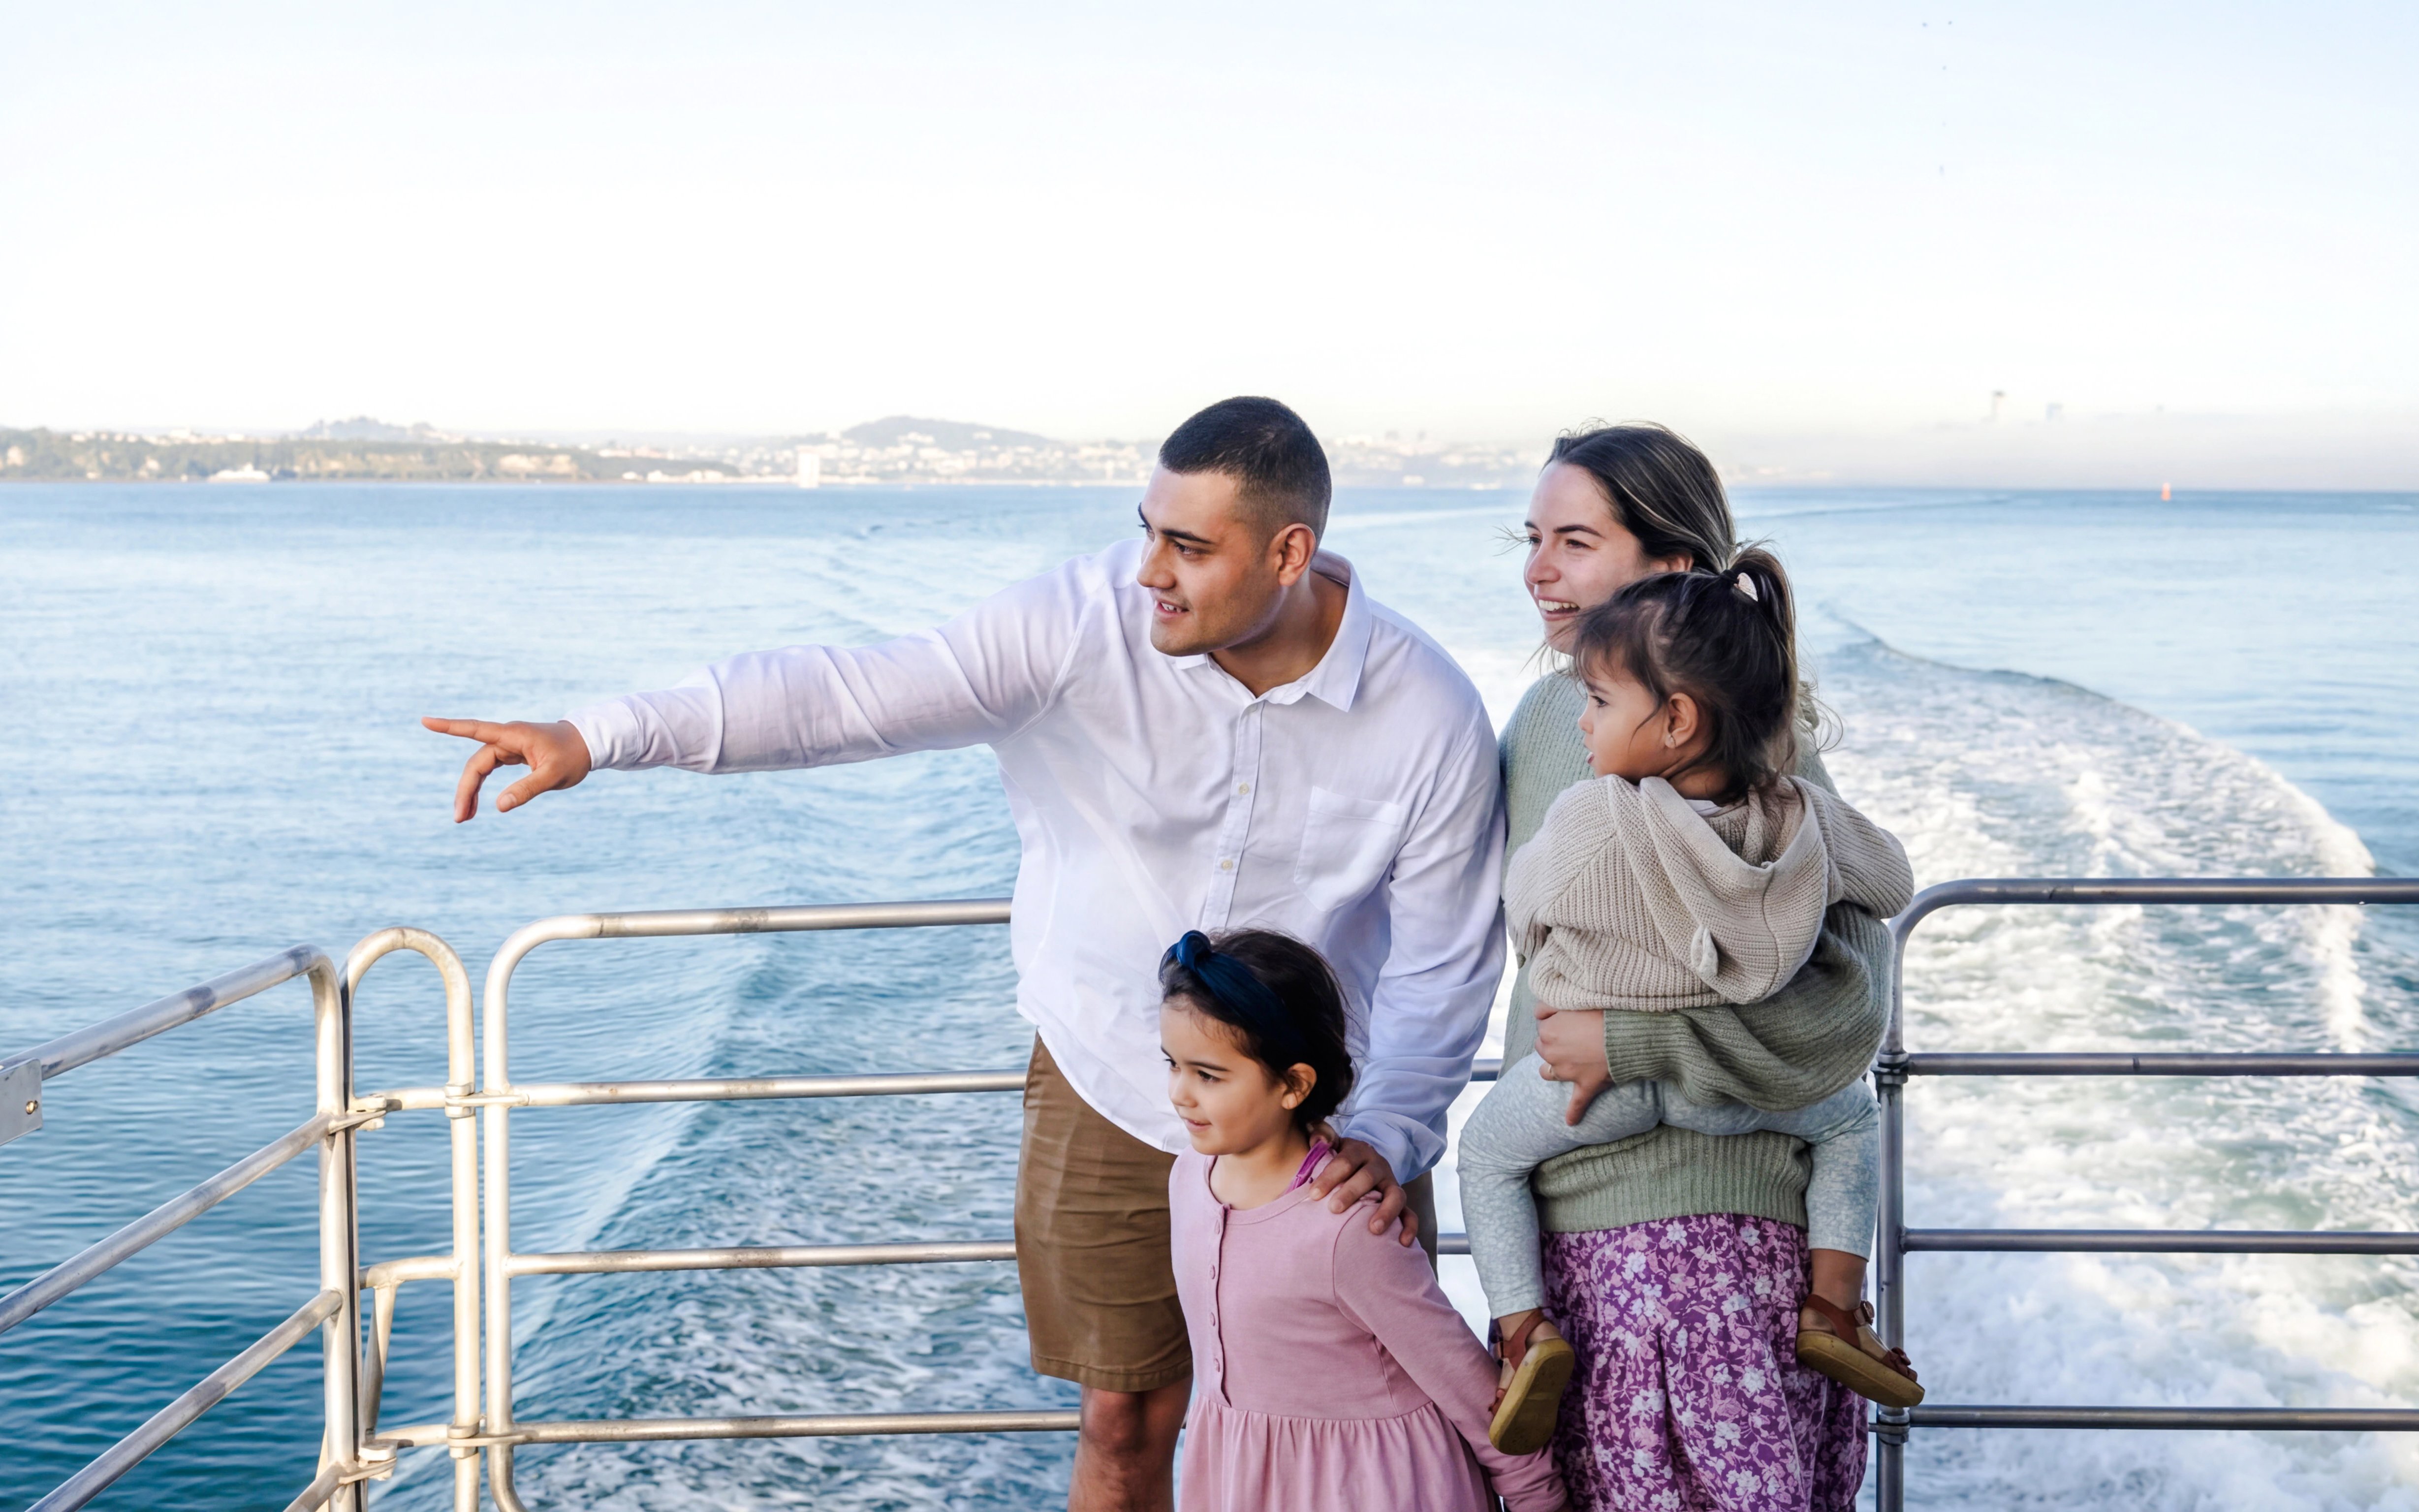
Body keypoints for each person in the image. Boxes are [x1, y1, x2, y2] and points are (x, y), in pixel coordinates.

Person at [422, 397, 1507, 1512]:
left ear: (1288, 552)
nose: (1149, 571)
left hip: (1331, 1125)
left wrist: (1388, 1133)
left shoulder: (1426, 712)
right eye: (1147, 531)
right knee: (1122, 1423)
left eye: (1189, 546)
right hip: (1119, 1083)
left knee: (1373, 1419)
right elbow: (848, 695)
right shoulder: (1078, 622)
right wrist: (597, 735)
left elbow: (1444, 962)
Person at [1459, 549, 1922, 1457]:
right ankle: (1834, 1305)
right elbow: (1891, 882)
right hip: (1746, 1092)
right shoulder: (1800, 816)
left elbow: (1527, 908)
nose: (1582, 720)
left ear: (1674, 720)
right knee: (1849, 1119)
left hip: (1592, 1088)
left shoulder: (1594, 816)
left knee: (1485, 1155)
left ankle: (1523, 1334)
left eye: (1599, 702)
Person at [1159, 928, 1566, 1512]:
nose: (1180, 1093)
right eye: (1172, 1064)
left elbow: (1461, 1378)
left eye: (1207, 1075)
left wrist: (1537, 1499)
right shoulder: (1187, 1181)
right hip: (1243, 1480)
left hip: (1380, 1486)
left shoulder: (1347, 1227)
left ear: (1293, 1085)